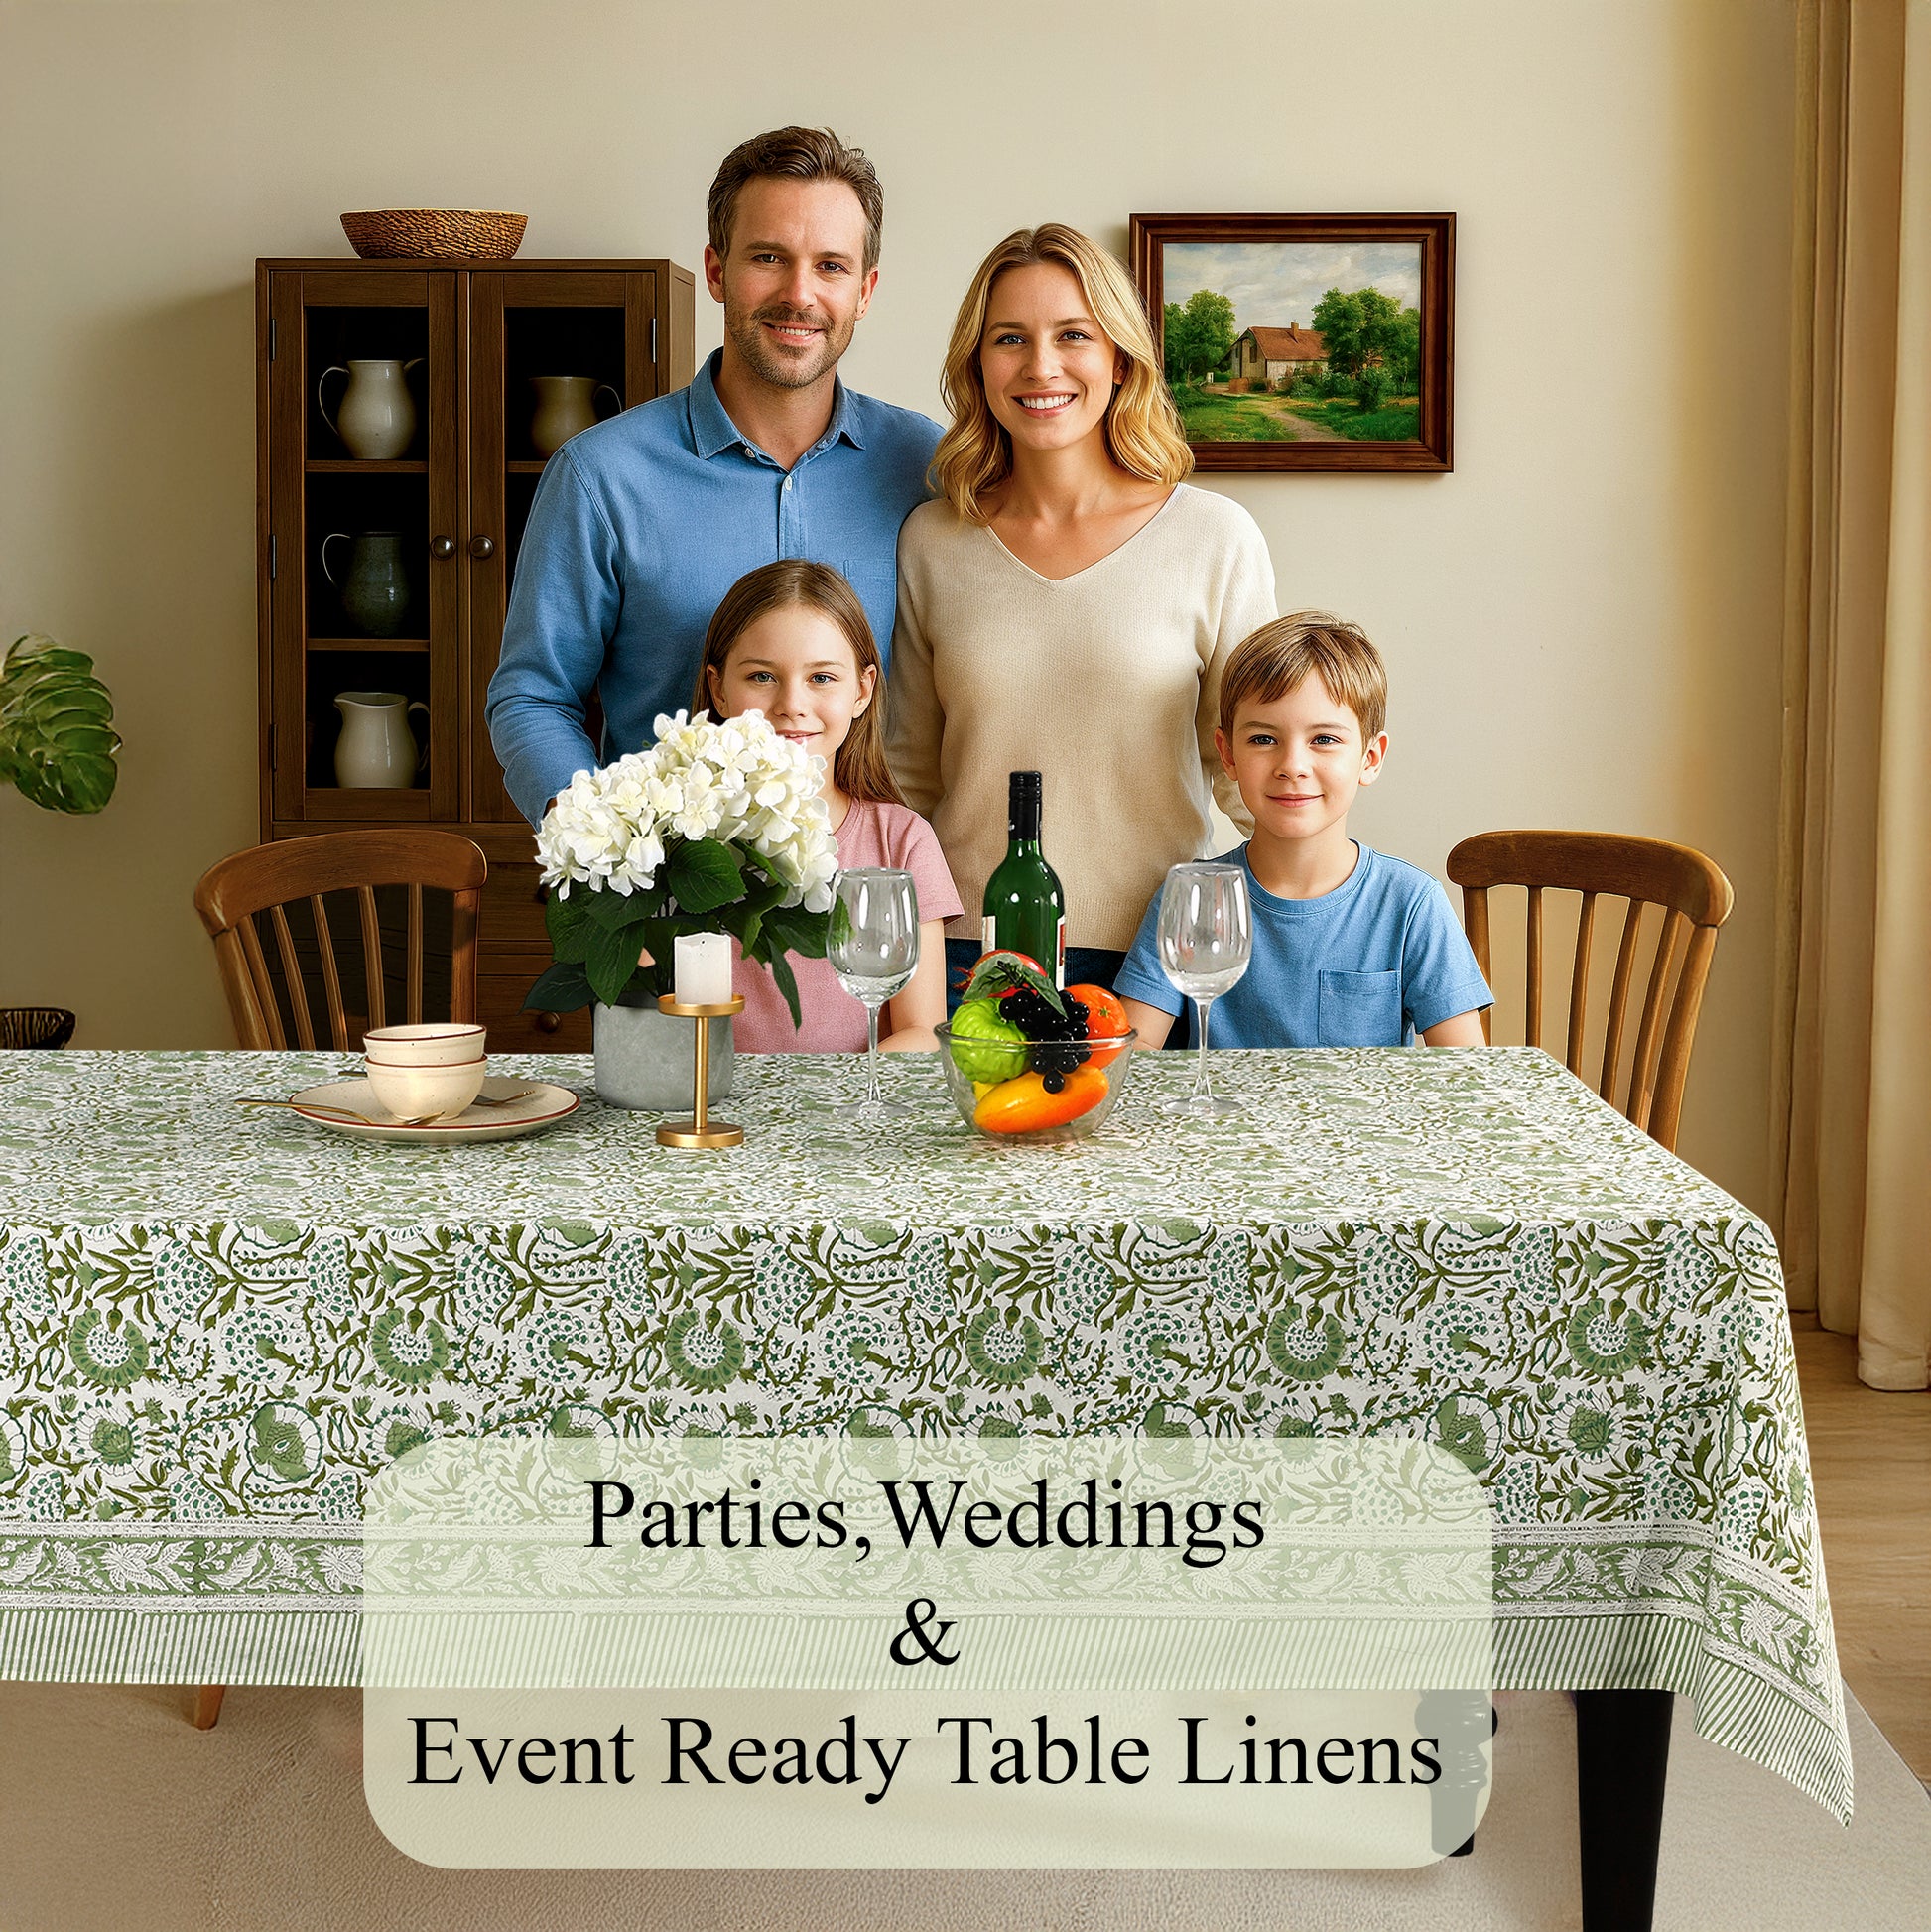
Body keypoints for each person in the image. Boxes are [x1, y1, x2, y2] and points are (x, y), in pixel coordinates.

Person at [486, 126, 941, 828]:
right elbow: (533, 697)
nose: (799, 294)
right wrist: (606, 845)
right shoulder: (600, 477)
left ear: (865, 289)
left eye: (830, 266)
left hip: (873, 887)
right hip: (669, 890)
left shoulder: (927, 468)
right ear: (717, 270)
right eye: (768, 257)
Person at [884, 223, 1277, 1007]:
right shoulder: (932, 540)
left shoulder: (1216, 537)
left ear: (1120, 359)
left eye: (1073, 335)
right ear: (977, 364)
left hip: (1158, 967)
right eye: (1010, 338)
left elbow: (1254, 774)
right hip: (969, 960)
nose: (1041, 366)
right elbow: (908, 779)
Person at [1114, 612, 1492, 1048]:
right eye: (1263, 739)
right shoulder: (1192, 899)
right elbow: (1134, 1057)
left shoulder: (1411, 904)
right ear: (1228, 755)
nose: (1292, 766)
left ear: (1370, 759)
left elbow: (1466, 1070)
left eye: (1324, 740)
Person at [696, 560, 959, 1053]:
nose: (791, 704)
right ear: (718, 690)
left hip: (856, 1101)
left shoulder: (902, 841)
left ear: (862, 690)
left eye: (820, 677)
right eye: (761, 676)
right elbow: (646, 1020)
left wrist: (830, 1093)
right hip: (714, 1099)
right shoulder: (682, 840)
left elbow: (922, 1032)